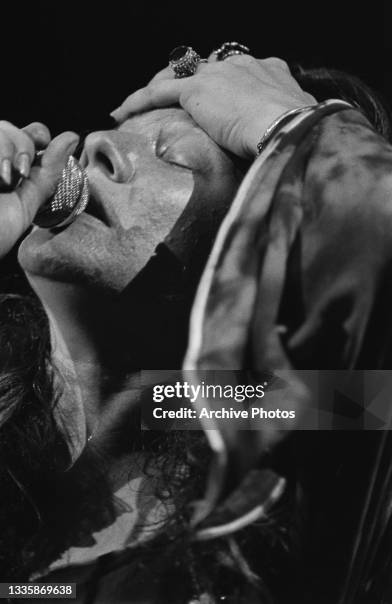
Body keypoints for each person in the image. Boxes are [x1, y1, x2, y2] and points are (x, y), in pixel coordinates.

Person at [1, 50, 392, 603]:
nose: (96, 147)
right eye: (112, 132)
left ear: (252, 259)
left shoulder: (273, 414)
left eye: (173, 157)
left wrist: (295, 126)